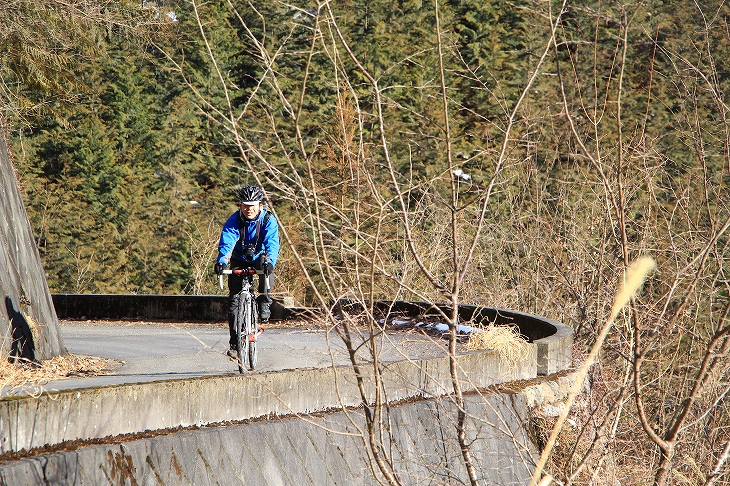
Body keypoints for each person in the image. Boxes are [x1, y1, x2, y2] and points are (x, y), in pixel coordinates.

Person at [214, 185, 280, 357]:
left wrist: (270, 262)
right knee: (234, 301)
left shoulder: (268, 220)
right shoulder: (235, 219)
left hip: (259, 256)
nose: (248, 209)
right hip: (238, 258)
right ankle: (235, 344)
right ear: (240, 205)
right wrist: (221, 261)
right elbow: (227, 241)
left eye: (252, 205)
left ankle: (264, 301)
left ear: (260, 205)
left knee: (266, 269)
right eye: (245, 205)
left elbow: (272, 243)